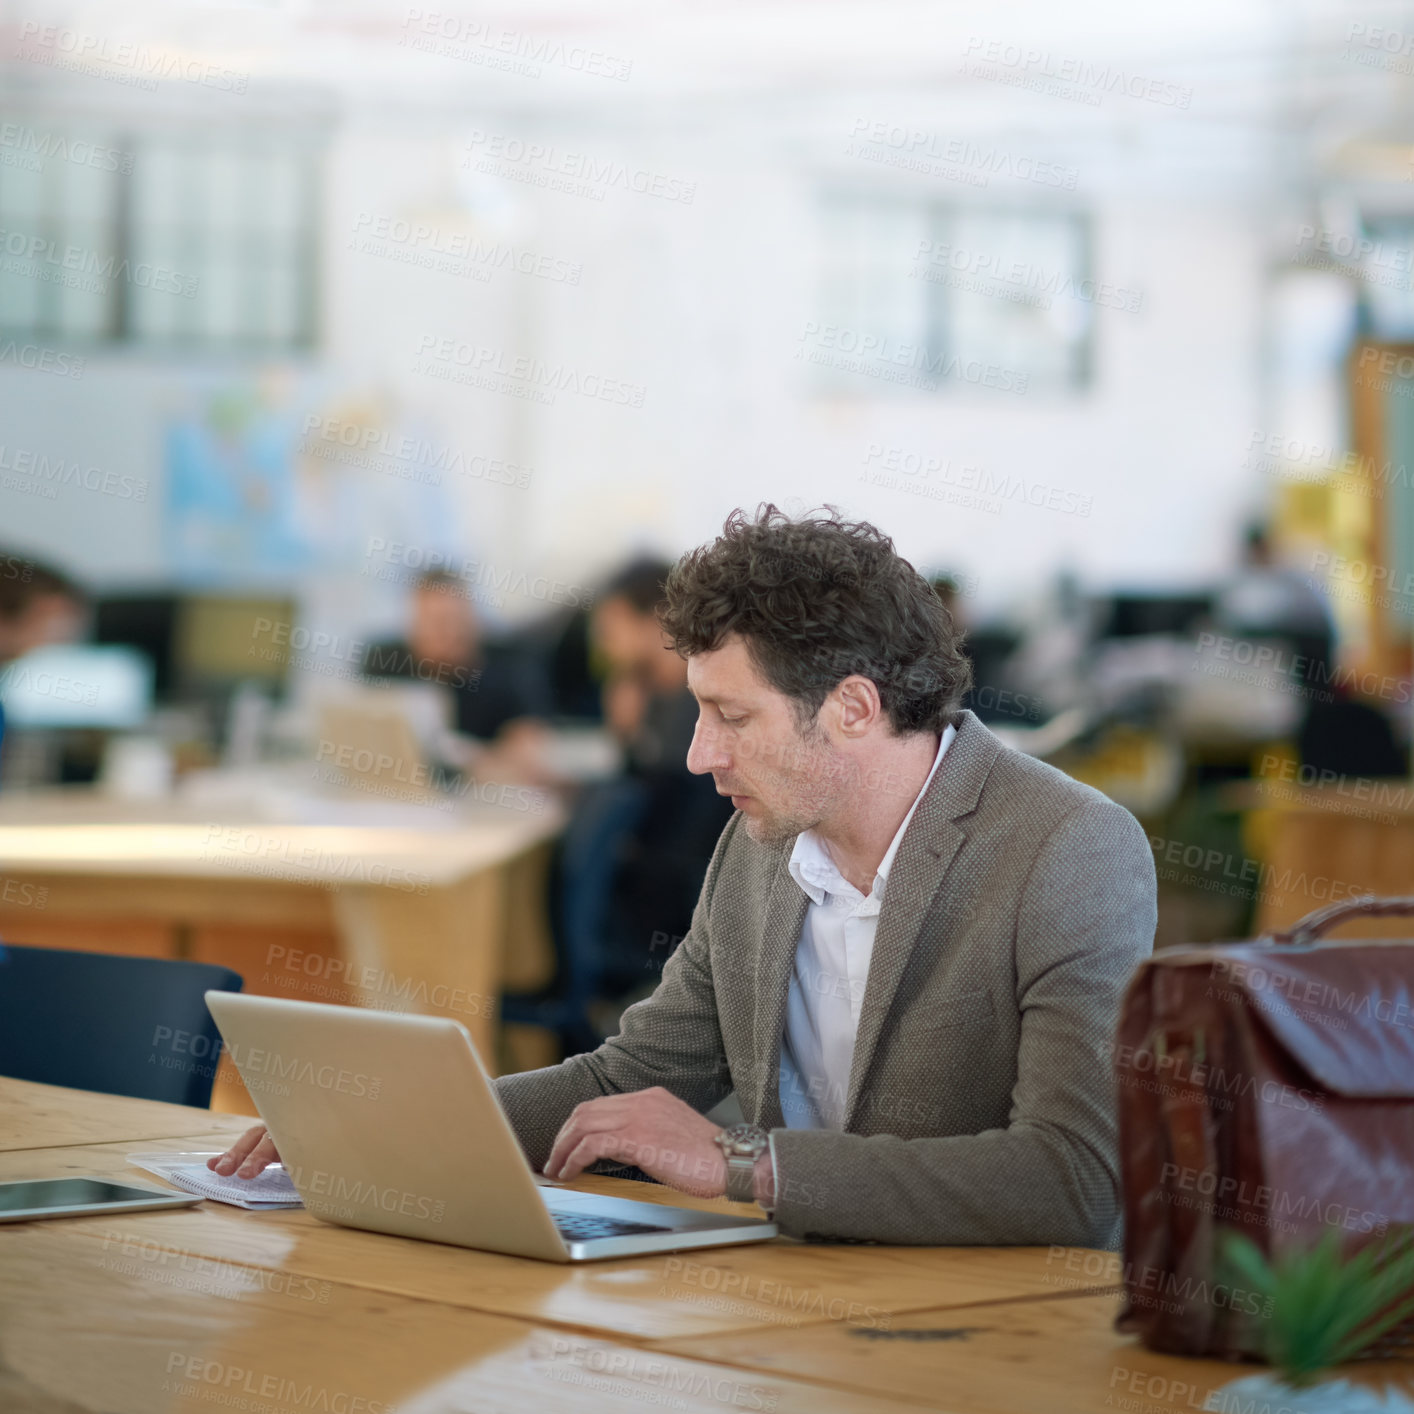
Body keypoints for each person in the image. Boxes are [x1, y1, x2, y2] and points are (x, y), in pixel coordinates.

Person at [214, 506, 1157, 1248]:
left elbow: (1072, 1178)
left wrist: (745, 1166)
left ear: (855, 709)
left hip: (989, 1337)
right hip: (789, 1306)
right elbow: (634, 1073)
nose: (701, 754)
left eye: (731, 717)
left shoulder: (1070, 848)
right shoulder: (760, 843)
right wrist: (375, 1119)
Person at [362, 568, 549, 755]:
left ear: (474, 621)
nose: (449, 634)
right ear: (414, 627)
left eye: (457, 621)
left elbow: (529, 742)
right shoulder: (385, 662)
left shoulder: (511, 666)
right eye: (436, 624)